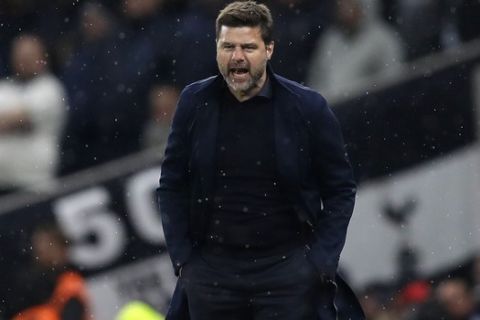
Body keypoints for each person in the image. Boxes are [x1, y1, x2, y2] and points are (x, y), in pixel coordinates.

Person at [157, 1, 362, 319]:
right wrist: (184, 260)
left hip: (286, 272)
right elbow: (171, 185)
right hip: (212, 275)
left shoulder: (307, 108)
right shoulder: (194, 103)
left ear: (269, 49)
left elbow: (340, 190)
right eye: (228, 46)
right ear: (216, 49)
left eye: (248, 47)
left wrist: (319, 262)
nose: (237, 56)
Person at [0, 34, 66, 194]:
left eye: (29, 56)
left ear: (42, 57)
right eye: (20, 55)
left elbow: (20, 118)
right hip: (3, 183)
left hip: (35, 183)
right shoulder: (4, 87)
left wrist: (9, 120)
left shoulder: (50, 88)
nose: (24, 60)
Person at [307, 0, 405, 101]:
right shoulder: (330, 40)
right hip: (330, 109)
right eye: (341, 5)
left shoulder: (383, 40)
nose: (344, 10)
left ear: (365, 6)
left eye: (350, 4)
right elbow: (316, 79)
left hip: (368, 108)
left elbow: (392, 83)